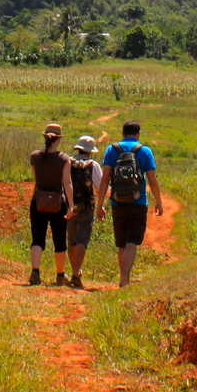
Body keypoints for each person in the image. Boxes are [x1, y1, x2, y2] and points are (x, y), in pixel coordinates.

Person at [97, 120, 163, 288]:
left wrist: (100, 204)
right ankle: (125, 279)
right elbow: (152, 180)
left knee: (121, 243)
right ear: (138, 133)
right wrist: (158, 201)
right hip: (138, 201)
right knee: (132, 241)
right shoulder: (144, 151)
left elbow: (105, 179)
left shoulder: (112, 150)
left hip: (117, 201)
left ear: (123, 133)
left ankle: (123, 277)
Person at [27, 121, 72, 286]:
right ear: (58, 139)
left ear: (45, 137)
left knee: (37, 239)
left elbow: (36, 180)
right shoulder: (64, 159)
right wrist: (72, 204)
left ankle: (35, 272)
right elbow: (67, 183)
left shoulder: (35, 157)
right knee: (60, 240)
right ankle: (60, 275)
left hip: (38, 200)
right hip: (58, 203)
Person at [64, 134, 103, 289]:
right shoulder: (93, 165)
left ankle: (75, 272)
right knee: (82, 240)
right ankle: (75, 274)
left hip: (70, 205)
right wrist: (101, 205)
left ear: (78, 148)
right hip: (87, 206)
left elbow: (64, 183)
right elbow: (100, 187)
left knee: (71, 239)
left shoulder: (68, 162)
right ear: (90, 151)